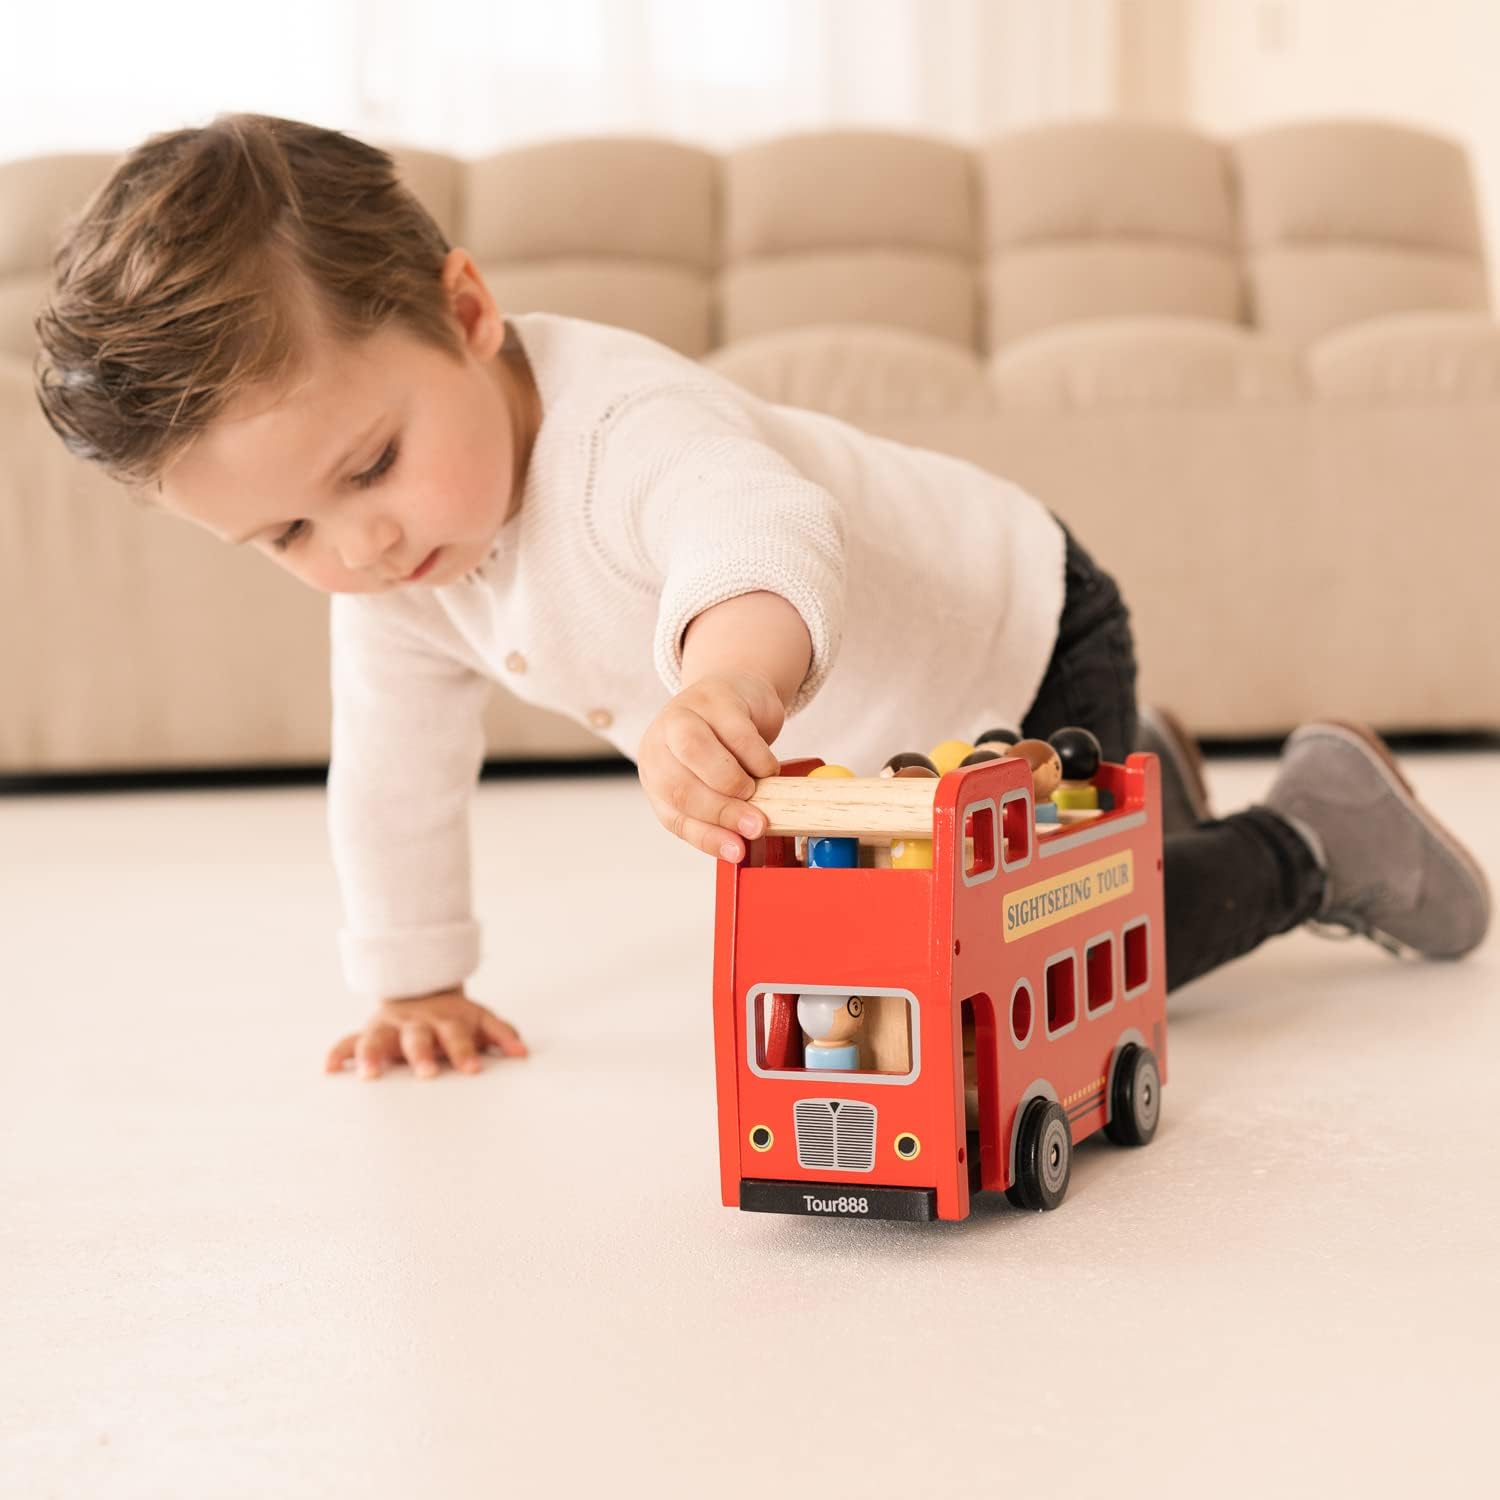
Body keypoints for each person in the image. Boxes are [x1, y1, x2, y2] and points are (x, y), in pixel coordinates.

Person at [32, 115, 1491, 1080]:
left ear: (467, 314)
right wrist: (416, 979)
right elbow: (393, 773)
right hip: (889, 751)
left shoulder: (622, 430)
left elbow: (757, 529)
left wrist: (729, 679)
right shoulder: (397, 576)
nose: (357, 546)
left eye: (371, 467)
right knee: (945, 932)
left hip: (1013, 643)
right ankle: (1138, 793)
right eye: (283, 533)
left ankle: (1318, 837)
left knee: (1043, 973)